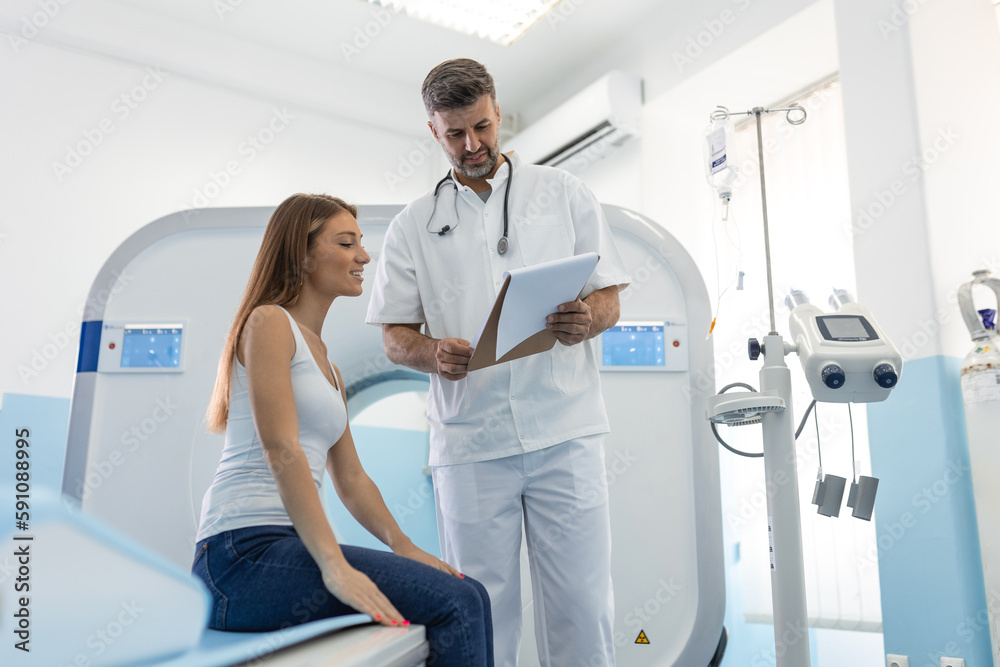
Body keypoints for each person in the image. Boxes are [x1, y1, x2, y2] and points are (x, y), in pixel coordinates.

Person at [366, 59, 631, 667]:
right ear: (433, 131)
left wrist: (587, 317)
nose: (472, 145)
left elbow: (611, 295)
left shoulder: (564, 193)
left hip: (564, 429)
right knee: (483, 610)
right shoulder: (413, 225)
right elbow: (393, 337)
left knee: (583, 606)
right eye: (455, 133)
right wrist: (431, 352)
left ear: (497, 113)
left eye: (481, 127)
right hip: (471, 442)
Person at [192, 193, 494, 667]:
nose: (364, 256)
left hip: (283, 550)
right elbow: (281, 447)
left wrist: (405, 547)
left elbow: (351, 480)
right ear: (304, 253)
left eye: (361, 243)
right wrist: (333, 564)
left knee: (468, 591)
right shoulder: (269, 321)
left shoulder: (328, 366)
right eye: (347, 243)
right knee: (456, 603)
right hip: (239, 556)